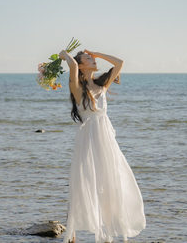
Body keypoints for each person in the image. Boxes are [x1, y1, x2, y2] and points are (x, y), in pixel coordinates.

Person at [59, 49, 146, 243]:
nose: (93, 60)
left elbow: (119, 63)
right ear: (81, 65)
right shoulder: (77, 86)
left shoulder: (102, 85)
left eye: (92, 58)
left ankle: (106, 231)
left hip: (106, 140)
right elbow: (72, 66)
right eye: (88, 59)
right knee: (84, 182)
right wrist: (63, 54)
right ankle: (71, 233)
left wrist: (97, 53)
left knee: (110, 181)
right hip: (88, 139)